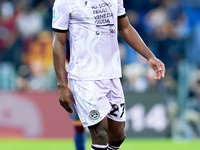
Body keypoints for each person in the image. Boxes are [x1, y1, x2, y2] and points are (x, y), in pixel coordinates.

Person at [52, 0, 165, 150]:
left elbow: (125, 27)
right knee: (100, 134)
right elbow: (58, 42)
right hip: (84, 77)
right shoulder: (65, 2)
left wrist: (150, 56)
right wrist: (61, 85)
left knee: (118, 136)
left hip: (111, 74)